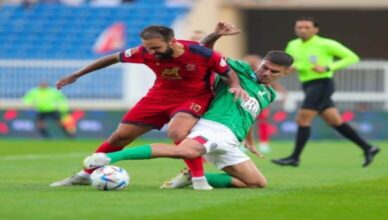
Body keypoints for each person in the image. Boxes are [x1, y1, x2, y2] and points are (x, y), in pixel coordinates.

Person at [50, 23, 246, 190]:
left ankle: (198, 179)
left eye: (156, 48)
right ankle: (84, 175)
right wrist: (77, 74)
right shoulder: (143, 52)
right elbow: (111, 57)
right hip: (158, 97)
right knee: (120, 136)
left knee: (177, 132)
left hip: (194, 98)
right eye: (148, 48)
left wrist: (235, 86)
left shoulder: (201, 53)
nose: (151, 53)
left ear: (172, 41)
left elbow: (228, 73)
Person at [83, 50, 294, 189]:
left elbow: (248, 116)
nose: (265, 72)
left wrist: (250, 140)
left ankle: (192, 178)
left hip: (231, 140)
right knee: (184, 150)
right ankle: (110, 158)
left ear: (285, 73)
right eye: (264, 66)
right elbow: (206, 56)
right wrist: (212, 38)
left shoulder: (270, 94)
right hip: (214, 127)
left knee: (256, 183)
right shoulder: (240, 69)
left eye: (273, 71)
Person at [272, 16, 380, 167]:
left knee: (302, 120)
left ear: (316, 29)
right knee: (335, 121)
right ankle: (369, 147)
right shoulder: (292, 45)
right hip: (307, 85)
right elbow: (292, 65)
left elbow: (352, 57)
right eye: (299, 27)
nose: (302, 30)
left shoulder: (326, 43)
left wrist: (329, 68)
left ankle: (294, 157)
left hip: (322, 84)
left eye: (307, 27)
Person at [242, 54, 287, 153]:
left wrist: (283, 99)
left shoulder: (264, 75)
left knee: (262, 123)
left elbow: (278, 87)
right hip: (244, 104)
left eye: (255, 63)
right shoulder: (243, 74)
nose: (253, 65)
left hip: (260, 104)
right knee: (245, 123)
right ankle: (244, 142)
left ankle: (264, 143)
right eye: (251, 64)